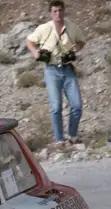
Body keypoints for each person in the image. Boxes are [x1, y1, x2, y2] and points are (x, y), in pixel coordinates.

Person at [26, 0, 86, 145]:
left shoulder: (72, 27)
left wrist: (75, 49)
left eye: (60, 10)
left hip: (67, 68)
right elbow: (29, 41)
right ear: (50, 13)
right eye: (55, 11)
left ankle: (73, 135)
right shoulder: (43, 28)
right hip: (51, 70)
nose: (58, 14)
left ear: (64, 11)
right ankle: (59, 140)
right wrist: (35, 52)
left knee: (76, 105)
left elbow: (81, 41)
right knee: (56, 107)